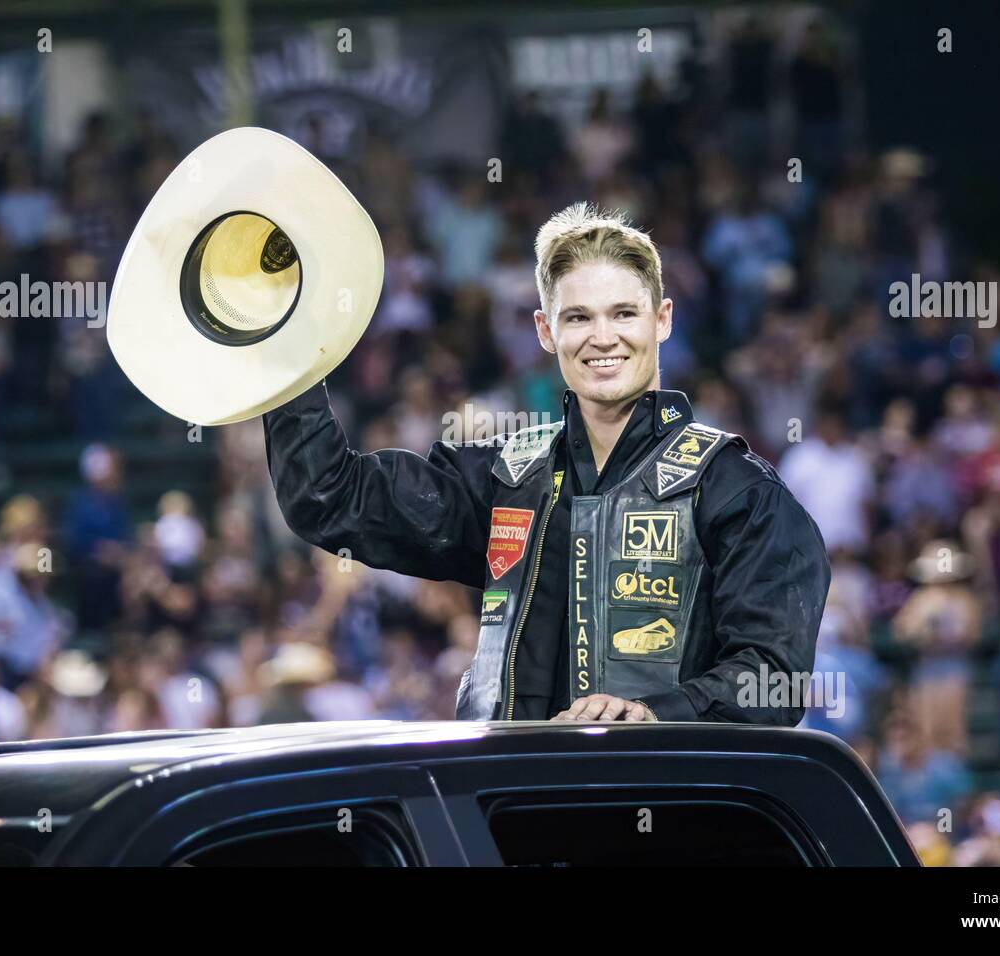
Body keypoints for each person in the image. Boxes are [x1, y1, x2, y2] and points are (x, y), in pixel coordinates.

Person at [263, 202, 830, 722]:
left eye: (624, 314)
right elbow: (329, 497)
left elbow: (774, 679)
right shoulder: (506, 479)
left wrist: (653, 715)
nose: (602, 337)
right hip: (501, 818)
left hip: (664, 818)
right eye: (578, 317)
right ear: (544, 330)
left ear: (662, 321)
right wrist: (287, 338)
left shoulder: (739, 491)